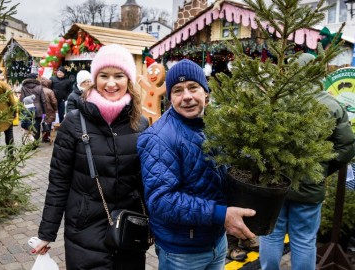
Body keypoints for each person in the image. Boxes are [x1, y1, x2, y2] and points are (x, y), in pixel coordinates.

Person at [32, 44, 149, 270]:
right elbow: (58, 182)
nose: (111, 83)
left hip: (128, 231)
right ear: (95, 79)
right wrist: (46, 233)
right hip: (85, 230)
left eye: (119, 76)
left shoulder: (140, 123)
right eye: (104, 76)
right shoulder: (74, 123)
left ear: (129, 80)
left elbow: (146, 181)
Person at [137, 59, 256, 269]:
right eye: (178, 90)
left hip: (216, 241)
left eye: (193, 87)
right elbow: (161, 200)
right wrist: (221, 215)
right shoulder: (159, 138)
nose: (187, 97)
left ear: (206, 93)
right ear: (170, 97)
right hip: (183, 252)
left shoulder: (215, 127)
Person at [259, 53, 355, 270]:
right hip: (310, 183)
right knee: (303, 239)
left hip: (275, 182)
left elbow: (260, 139)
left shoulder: (277, 99)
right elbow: (347, 147)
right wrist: (322, 168)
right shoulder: (332, 105)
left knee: (271, 234)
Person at [0, 68, 17, 162]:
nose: (3, 76)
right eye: (1, 75)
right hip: (5, 114)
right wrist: (15, 110)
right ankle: (10, 155)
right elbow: (11, 98)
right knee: (9, 134)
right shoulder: (3, 84)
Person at [20, 73, 46, 142]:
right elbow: (43, 100)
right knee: (37, 126)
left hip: (27, 109)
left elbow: (21, 99)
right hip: (38, 109)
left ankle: (28, 141)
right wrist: (44, 112)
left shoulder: (24, 87)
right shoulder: (39, 87)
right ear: (35, 78)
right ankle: (35, 142)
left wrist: (21, 110)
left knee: (27, 125)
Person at [40, 77, 58, 143]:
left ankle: (43, 136)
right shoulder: (50, 91)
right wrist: (55, 108)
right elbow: (54, 101)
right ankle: (46, 136)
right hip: (49, 109)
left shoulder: (38, 89)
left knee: (43, 121)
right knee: (48, 122)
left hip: (40, 109)